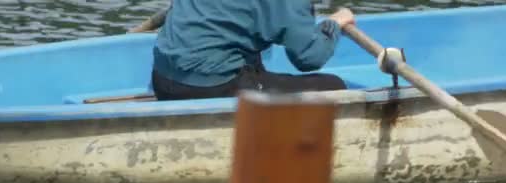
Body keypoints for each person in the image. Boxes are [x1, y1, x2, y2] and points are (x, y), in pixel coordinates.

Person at [150, 1, 356, 101]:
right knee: (333, 86)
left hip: (161, 79)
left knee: (253, 57)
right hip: (212, 88)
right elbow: (309, 58)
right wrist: (334, 23)